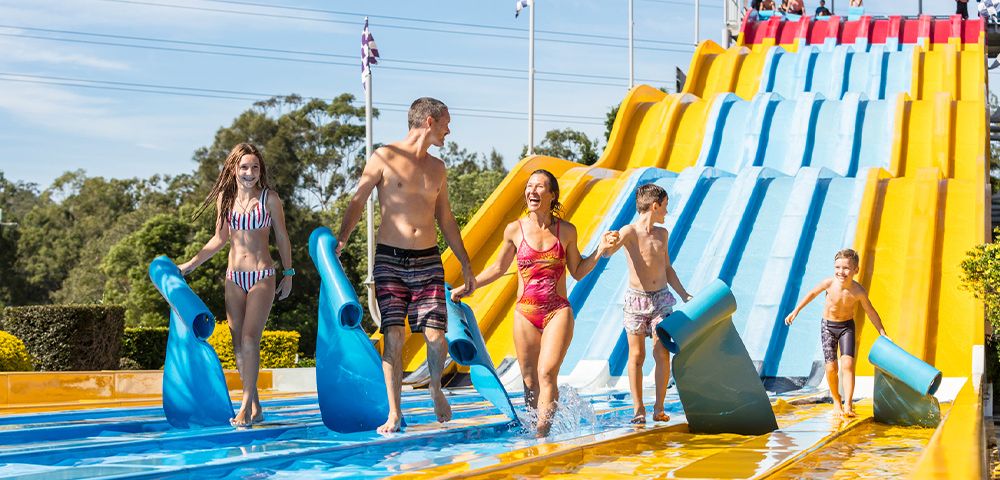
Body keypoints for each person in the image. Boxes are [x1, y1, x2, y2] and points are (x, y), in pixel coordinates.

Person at [336, 97, 477, 434]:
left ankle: (435, 389)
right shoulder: (383, 157)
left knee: (436, 335)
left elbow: (445, 217)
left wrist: (466, 263)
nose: (449, 129)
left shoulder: (437, 167)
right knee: (394, 334)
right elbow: (358, 199)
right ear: (429, 121)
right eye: (446, 121)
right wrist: (341, 239)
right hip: (390, 259)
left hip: (428, 259)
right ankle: (395, 412)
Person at [451, 170, 612, 437]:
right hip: (525, 313)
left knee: (547, 372)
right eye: (529, 186)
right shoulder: (514, 230)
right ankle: (534, 430)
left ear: (552, 195)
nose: (532, 191)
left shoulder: (566, 231)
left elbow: (578, 271)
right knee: (529, 381)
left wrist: (600, 251)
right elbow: (498, 267)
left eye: (539, 187)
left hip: (557, 310)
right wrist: (469, 287)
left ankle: (541, 435)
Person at [179, 142, 294, 428]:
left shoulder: (270, 199)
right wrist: (190, 264)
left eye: (255, 167)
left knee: (249, 339)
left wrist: (289, 273)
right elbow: (219, 240)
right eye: (244, 167)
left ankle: (243, 407)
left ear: (260, 171)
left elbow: (282, 236)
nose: (250, 172)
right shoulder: (226, 200)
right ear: (234, 169)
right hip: (234, 277)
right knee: (236, 343)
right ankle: (255, 407)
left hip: (262, 275)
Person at [602, 184, 692, 425]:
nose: (666, 211)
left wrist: (684, 294)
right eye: (665, 206)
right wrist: (608, 242)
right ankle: (638, 408)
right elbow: (609, 252)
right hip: (636, 300)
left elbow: (668, 268)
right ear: (655, 205)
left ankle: (659, 407)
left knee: (662, 351)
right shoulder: (629, 231)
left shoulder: (662, 234)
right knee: (637, 354)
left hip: (661, 298)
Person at [784, 248, 887, 418]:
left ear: (856, 270)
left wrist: (882, 332)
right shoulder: (829, 283)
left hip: (847, 327)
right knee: (831, 368)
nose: (841, 271)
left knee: (847, 365)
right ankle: (837, 401)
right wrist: (796, 311)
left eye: (846, 268)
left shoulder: (858, 291)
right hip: (828, 327)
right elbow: (811, 294)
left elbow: (870, 311)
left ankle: (848, 403)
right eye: (837, 267)